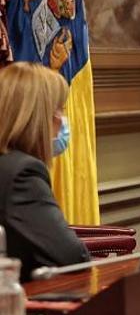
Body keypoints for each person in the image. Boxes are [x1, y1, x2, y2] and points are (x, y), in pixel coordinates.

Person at [0, 62, 89, 280]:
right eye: (59, 109)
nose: (62, 120)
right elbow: (72, 257)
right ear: (37, 116)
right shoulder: (22, 173)